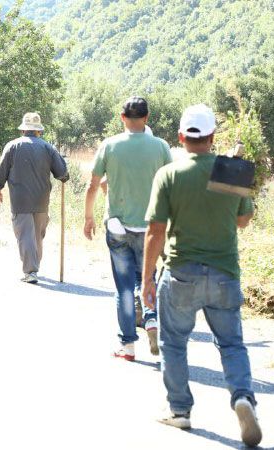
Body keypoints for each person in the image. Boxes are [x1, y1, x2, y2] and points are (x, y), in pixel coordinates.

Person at [141, 104, 261, 447]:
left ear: (181, 137)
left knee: (174, 342)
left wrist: (147, 279)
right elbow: (242, 220)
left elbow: (155, 231)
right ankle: (242, 397)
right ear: (213, 137)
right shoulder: (231, 172)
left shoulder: (169, 174)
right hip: (225, 271)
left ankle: (180, 410)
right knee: (232, 343)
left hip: (181, 272)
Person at [83, 97, 172, 361]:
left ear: (122, 117)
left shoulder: (109, 145)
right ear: (146, 118)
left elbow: (93, 184)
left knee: (123, 286)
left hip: (118, 226)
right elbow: (170, 186)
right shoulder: (161, 147)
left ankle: (128, 346)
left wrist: (88, 217)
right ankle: (152, 318)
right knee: (148, 276)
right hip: (150, 227)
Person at [0, 112, 68, 284]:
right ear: (38, 131)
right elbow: (63, 174)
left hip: (20, 199)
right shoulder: (48, 148)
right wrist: (63, 166)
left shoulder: (12, 146)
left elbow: (2, 170)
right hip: (42, 199)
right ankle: (34, 267)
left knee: (25, 235)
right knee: (37, 236)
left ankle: (31, 271)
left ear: (23, 130)